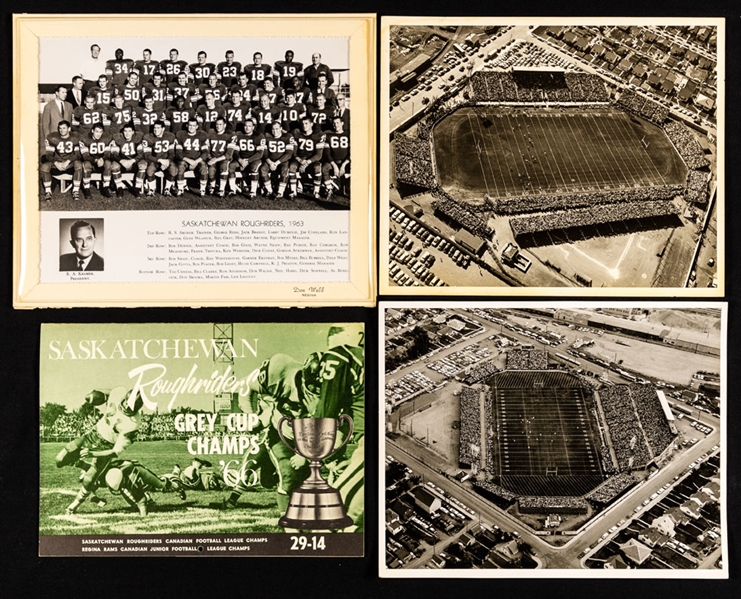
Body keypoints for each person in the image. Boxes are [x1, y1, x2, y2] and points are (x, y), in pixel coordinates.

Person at [222, 353, 318, 511]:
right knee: (257, 465)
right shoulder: (280, 373)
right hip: (276, 432)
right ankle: (234, 500)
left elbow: (323, 430)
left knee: (295, 478)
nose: (315, 390)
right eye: (313, 385)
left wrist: (305, 454)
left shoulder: (326, 396)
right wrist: (251, 417)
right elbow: (246, 387)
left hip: (303, 439)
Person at [56, 387, 142, 513]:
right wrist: (95, 396)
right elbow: (107, 392)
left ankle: (73, 506)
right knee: (59, 460)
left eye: (130, 409)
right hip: (93, 434)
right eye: (125, 404)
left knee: (89, 479)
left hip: (107, 446)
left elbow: (114, 452)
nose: (125, 409)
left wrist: (92, 453)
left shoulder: (133, 425)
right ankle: (85, 466)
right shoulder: (119, 392)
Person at [40, 120, 83, 201]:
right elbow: (49, 154)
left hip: (70, 162)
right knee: (45, 166)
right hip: (57, 161)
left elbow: (77, 154)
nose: (62, 130)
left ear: (69, 129)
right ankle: (48, 191)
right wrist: (56, 163)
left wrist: (68, 161)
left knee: (79, 165)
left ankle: (75, 191)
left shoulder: (75, 138)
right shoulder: (52, 137)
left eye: (64, 128)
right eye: (60, 128)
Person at [291, 115, 326, 199]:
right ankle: (293, 191)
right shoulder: (297, 134)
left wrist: (307, 162)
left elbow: (318, 155)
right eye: (303, 124)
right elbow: (294, 153)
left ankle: (316, 191)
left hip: (311, 160)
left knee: (317, 167)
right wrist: (300, 160)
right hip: (299, 158)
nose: (304, 126)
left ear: (311, 124)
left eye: (306, 123)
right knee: (292, 167)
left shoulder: (317, 135)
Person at [228, 118, 264, 197]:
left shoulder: (258, 135)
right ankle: (232, 190)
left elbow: (259, 154)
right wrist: (240, 160)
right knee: (231, 166)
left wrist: (248, 161)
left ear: (253, 127)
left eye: (249, 126)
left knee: (254, 167)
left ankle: (253, 191)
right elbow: (235, 152)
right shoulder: (238, 135)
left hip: (254, 159)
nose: (247, 128)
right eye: (245, 126)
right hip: (241, 159)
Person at [260, 120, 295, 199]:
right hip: (270, 161)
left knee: (285, 168)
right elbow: (264, 153)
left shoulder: (287, 137)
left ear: (281, 128)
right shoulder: (267, 136)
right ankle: (270, 191)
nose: (275, 131)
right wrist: (270, 162)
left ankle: (280, 192)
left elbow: (288, 154)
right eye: (273, 129)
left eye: (277, 129)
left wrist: (276, 163)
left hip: (282, 161)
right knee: (263, 169)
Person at [174, 118, 209, 196]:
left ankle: (202, 190)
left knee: (203, 166)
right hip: (186, 159)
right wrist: (189, 160)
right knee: (181, 165)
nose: (191, 127)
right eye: (190, 125)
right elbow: (178, 153)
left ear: (197, 126)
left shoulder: (202, 135)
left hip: (198, 159)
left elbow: (205, 152)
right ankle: (180, 189)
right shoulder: (181, 135)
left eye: (194, 126)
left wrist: (196, 161)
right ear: (187, 125)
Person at [141, 120, 177, 195]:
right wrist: (159, 160)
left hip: (166, 161)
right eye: (154, 128)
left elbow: (171, 153)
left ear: (163, 129)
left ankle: (167, 189)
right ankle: (152, 188)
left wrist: (168, 160)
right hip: (154, 161)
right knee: (150, 170)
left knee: (173, 169)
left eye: (158, 128)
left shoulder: (170, 137)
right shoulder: (148, 137)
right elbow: (147, 156)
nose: (155, 130)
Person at [110, 122, 146, 197]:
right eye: (125, 131)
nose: (127, 133)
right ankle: (119, 188)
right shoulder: (118, 139)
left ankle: (137, 188)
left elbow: (141, 154)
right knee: (114, 166)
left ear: (133, 132)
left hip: (134, 163)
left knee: (143, 165)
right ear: (123, 132)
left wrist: (132, 161)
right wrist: (122, 161)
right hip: (122, 163)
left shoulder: (137, 138)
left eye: (129, 131)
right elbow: (114, 154)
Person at [80, 122, 114, 198]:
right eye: (96, 131)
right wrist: (96, 160)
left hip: (102, 161)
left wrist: (102, 159)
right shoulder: (85, 139)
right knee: (86, 164)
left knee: (108, 163)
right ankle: (86, 188)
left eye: (100, 132)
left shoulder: (106, 139)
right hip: (91, 161)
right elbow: (85, 156)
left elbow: (108, 153)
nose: (98, 134)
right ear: (92, 131)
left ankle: (105, 187)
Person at [204, 116, 234, 197]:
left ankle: (221, 189)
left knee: (224, 166)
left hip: (223, 158)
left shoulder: (229, 135)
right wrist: (210, 158)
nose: (218, 126)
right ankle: (212, 187)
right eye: (217, 124)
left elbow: (228, 154)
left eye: (220, 124)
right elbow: (207, 149)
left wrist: (216, 160)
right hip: (213, 158)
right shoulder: (211, 134)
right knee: (211, 169)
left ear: (224, 125)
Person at [322, 115, 350, 198]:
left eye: (338, 123)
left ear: (342, 123)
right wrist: (334, 166)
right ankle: (329, 189)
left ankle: (351, 189)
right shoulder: (328, 135)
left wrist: (343, 165)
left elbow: (353, 152)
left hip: (346, 161)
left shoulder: (349, 134)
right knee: (324, 168)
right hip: (333, 161)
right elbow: (327, 153)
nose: (336, 125)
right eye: (334, 123)